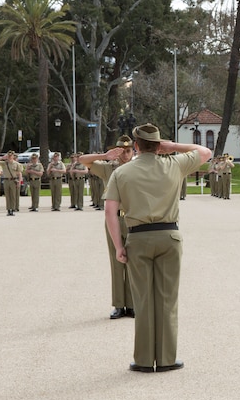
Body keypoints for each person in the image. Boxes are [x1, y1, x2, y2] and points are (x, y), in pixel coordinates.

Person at [105, 123, 211, 373]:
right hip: (168, 235)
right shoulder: (174, 164)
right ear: (159, 144)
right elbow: (205, 151)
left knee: (142, 300)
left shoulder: (122, 172)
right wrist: (172, 147)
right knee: (167, 299)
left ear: (137, 145)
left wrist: (118, 246)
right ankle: (165, 358)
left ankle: (143, 359)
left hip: (138, 237)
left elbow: (110, 212)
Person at [80, 135, 136, 319]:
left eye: (128, 150)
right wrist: (105, 155)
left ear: (133, 151)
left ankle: (133, 303)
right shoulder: (108, 168)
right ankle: (119, 304)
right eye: (121, 150)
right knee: (117, 260)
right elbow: (82, 160)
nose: (125, 154)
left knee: (134, 261)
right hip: (115, 218)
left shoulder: (139, 167)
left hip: (135, 218)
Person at [0, 151, 24, 216]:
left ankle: (12, 209)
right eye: (8, 156)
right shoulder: (4, 163)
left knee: (13, 196)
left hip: (13, 181)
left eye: (11, 156)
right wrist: (2, 157)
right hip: (6, 180)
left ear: (13, 156)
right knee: (7, 196)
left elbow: (20, 174)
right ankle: (8, 209)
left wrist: (20, 182)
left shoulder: (16, 164)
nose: (10, 157)